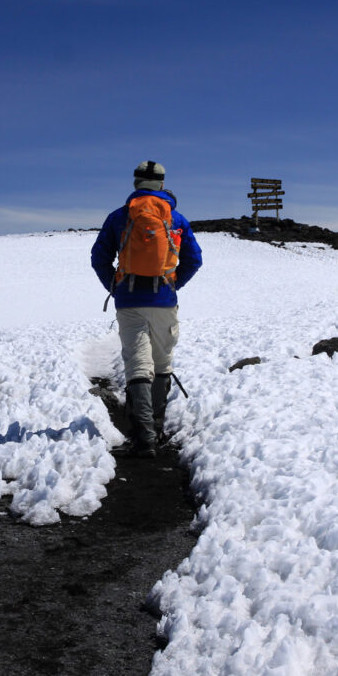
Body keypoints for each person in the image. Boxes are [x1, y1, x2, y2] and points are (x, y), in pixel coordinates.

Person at [91, 161, 203, 457]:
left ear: (136, 183)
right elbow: (194, 260)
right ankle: (157, 425)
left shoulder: (119, 218)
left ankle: (144, 439)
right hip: (164, 300)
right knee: (161, 362)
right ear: (163, 184)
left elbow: (99, 258)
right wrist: (172, 285)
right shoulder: (176, 218)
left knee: (137, 364)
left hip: (129, 302)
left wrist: (115, 287)